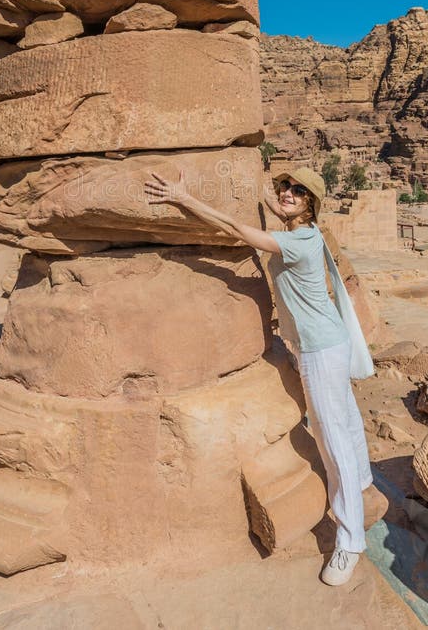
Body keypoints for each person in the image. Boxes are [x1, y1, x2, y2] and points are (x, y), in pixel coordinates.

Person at [145, 164, 373, 586]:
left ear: (311, 204)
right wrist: (260, 183)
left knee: (330, 435)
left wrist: (183, 198)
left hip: (321, 349)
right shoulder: (304, 230)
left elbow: (235, 228)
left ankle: (350, 539)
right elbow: (271, 202)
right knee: (345, 417)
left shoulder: (299, 241)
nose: (287, 193)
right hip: (325, 343)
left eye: (298, 191)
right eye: (286, 186)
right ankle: (361, 481)